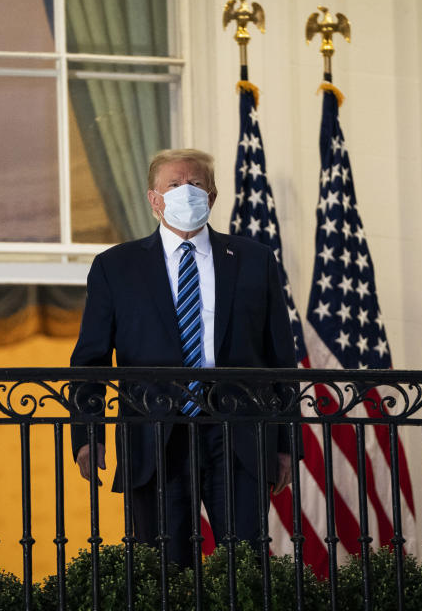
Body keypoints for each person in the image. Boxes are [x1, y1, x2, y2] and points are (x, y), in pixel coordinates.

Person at [70, 148, 297, 567]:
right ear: (154, 199)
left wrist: (286, 445)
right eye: (174, 185)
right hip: (153, 434)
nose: (186, 192)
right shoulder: (115, 267)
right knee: (163, 570)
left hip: (238, 433)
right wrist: (88, 436)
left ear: (211, 197)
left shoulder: (254, 260)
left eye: (195, 184)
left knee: (245, 566)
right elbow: (91, 358)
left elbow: (280, 357)